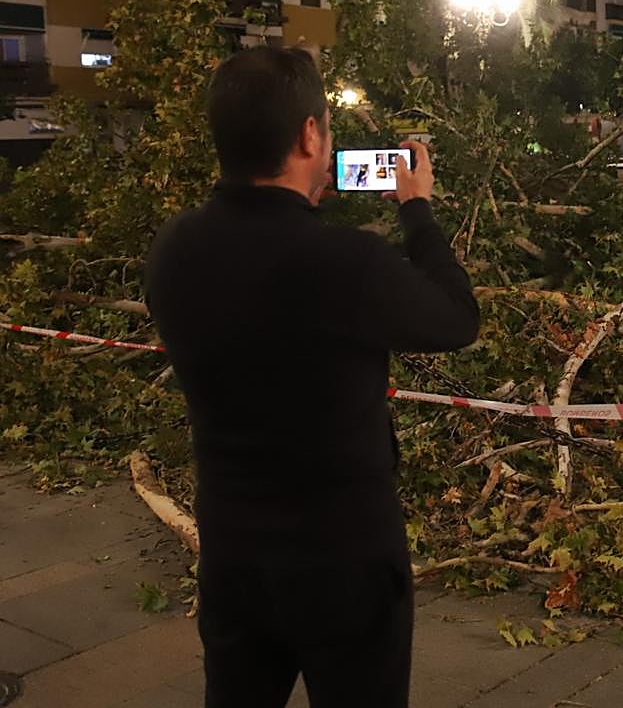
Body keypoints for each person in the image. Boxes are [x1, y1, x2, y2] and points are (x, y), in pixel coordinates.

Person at [145, 46, 479, 707]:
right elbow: (455, 319)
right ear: (308, 134)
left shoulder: (174, 247)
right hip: (344, 558)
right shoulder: (345, 260)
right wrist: (417, 209)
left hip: (233, 550)